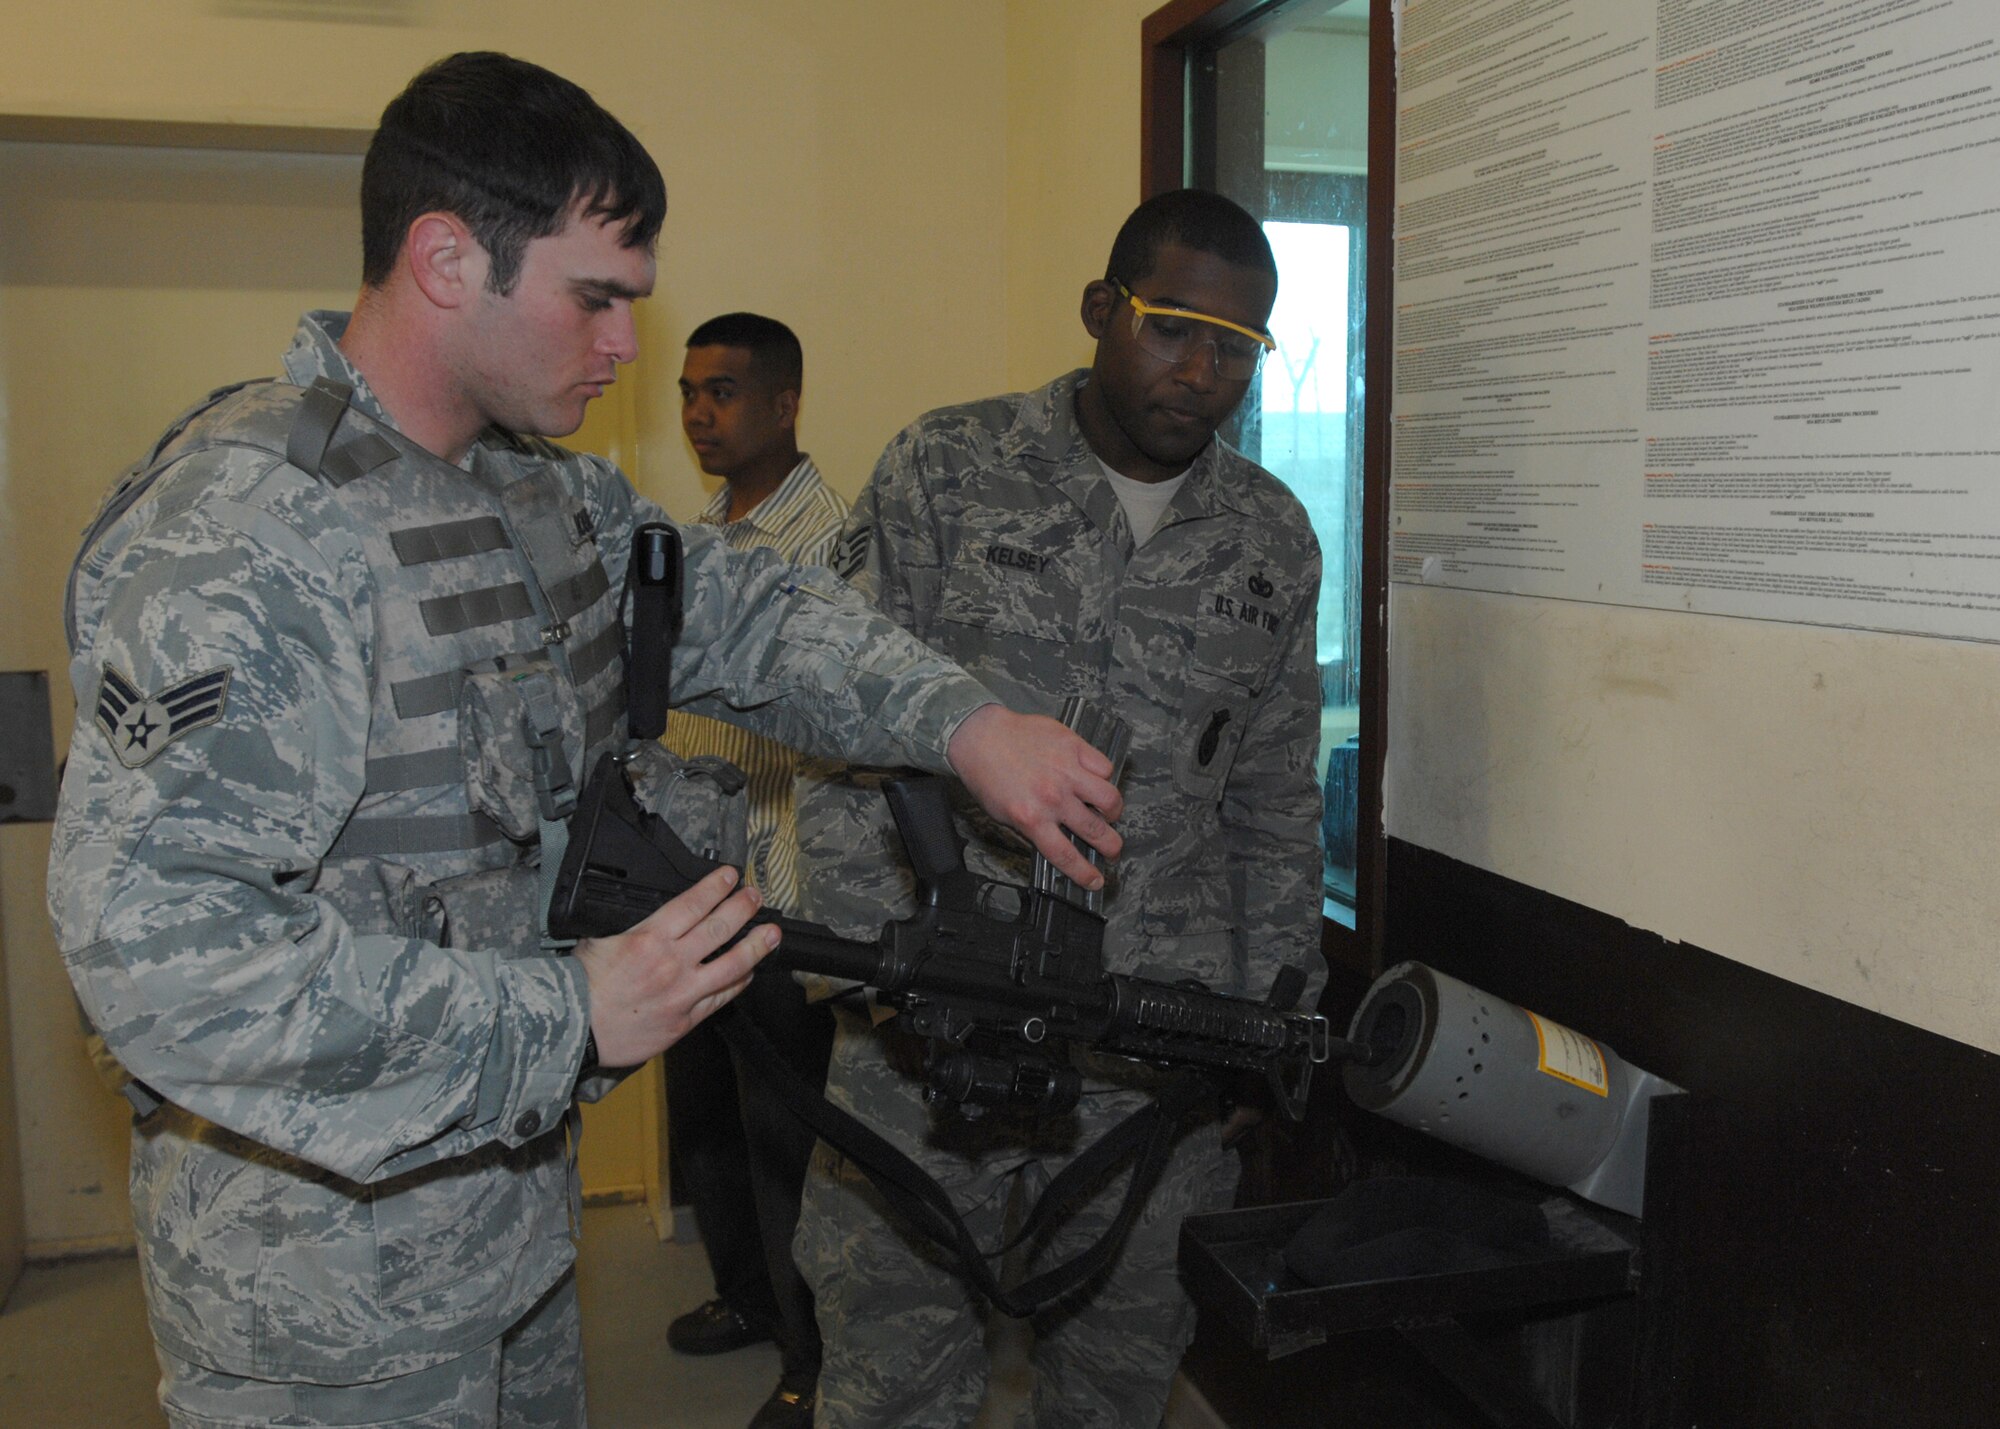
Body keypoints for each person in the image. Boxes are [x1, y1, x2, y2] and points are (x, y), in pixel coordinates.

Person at [45, 53, 1123, 1429]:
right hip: (321, 1308)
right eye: (593, 297)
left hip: (512, 1236)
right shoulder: (250, 534)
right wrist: (568, 1016)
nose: (625, 347)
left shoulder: (538, 494)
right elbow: (158, 962)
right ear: (446, 258)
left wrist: (966, 723)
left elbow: (750, 614)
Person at [792, 189, 1324, 1429]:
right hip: (929, 1024)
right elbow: (836, 723)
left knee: (1119, 1376)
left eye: (1237, 347)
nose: (1202, 374)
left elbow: (1270, 793)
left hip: (1148, 1040)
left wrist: (1261, 1008)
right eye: (1173, 329)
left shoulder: (1269, 538)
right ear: (1101, 309)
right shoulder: (946, 467)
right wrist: (882, 972)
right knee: (891, 1366)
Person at [660, 313, 843, 1429]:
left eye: (721, 392)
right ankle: (742, 1295)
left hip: (784, 896)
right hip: (689, 890)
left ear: (784, 403)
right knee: (707, 1121)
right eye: (687, 391)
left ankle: (811, 1355)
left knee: (789, 1144)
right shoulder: (697, 531)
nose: (696, 413)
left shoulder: (833, 543)